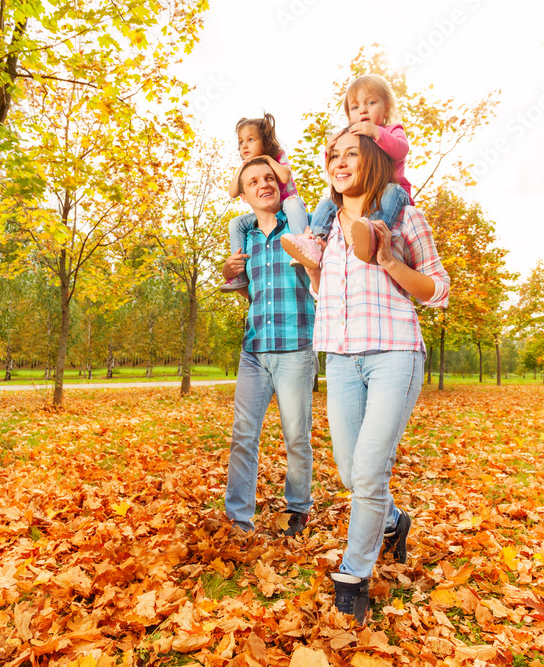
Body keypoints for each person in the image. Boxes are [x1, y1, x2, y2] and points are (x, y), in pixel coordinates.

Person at [304, 128, 449, 623]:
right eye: (333, 156)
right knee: (351, 472)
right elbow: (325, 296)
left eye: (351, 154)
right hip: (341, 357)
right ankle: (393, 520)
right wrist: (312, 269)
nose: (339, 162)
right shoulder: (324, 228)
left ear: (373, 161)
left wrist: (388, 258)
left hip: (395, 353)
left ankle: (354, 574)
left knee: (368, 471)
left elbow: (438, 289)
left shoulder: (402, 216)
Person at [218, 157, 318, 537]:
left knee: (296, 434)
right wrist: (230, 275)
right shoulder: (245, 239)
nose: (264, 184)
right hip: (254, 349)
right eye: (254, 181)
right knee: (244, 433)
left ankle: (298, 508)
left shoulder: (297, 228)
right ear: (244, 195)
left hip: (295, 346)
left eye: (269, 178)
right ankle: (238, 518)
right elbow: (250, 293)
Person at [283, 74, 413, 268]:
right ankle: (315, 242)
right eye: (355, 107)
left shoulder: (391, 129)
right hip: (358, 194)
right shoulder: (351, 136)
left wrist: (377, 132)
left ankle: (372, 237)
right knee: (327, 203)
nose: (363, 110)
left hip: (387, 189)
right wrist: (330, 150)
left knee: (392, 193)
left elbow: (401, 149)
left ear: (386, 108)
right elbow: (338, 167)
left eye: (370, 103)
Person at [221, 113, 308, 292]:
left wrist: (268, 159)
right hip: (266, 212)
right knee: (235, 222)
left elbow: (284, 175)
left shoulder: (277, 155)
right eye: (241, 142)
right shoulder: (247, 165)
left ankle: (304, 247)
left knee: (293, 203)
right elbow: (232, 192)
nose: (245, 145)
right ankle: (239, 272)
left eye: (251, 139)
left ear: (265, 141)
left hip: (287, 208)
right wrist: (244, 165)